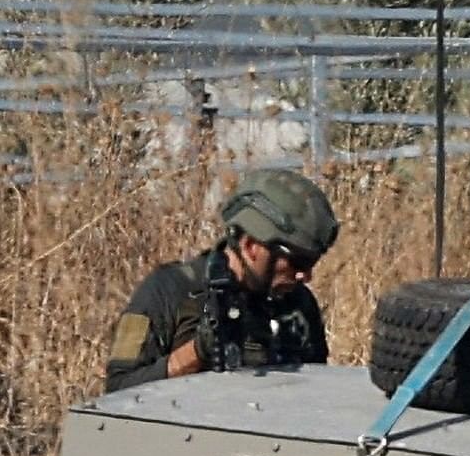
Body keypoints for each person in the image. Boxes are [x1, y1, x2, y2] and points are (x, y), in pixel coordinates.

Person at [104, 168, 340, 393]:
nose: (305, 276)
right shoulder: (169, 291)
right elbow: (119, 390)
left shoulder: (299, 305)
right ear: (251, 247)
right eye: (297, 262)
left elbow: (314, 394)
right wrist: (198, 351)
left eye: (312, 263)